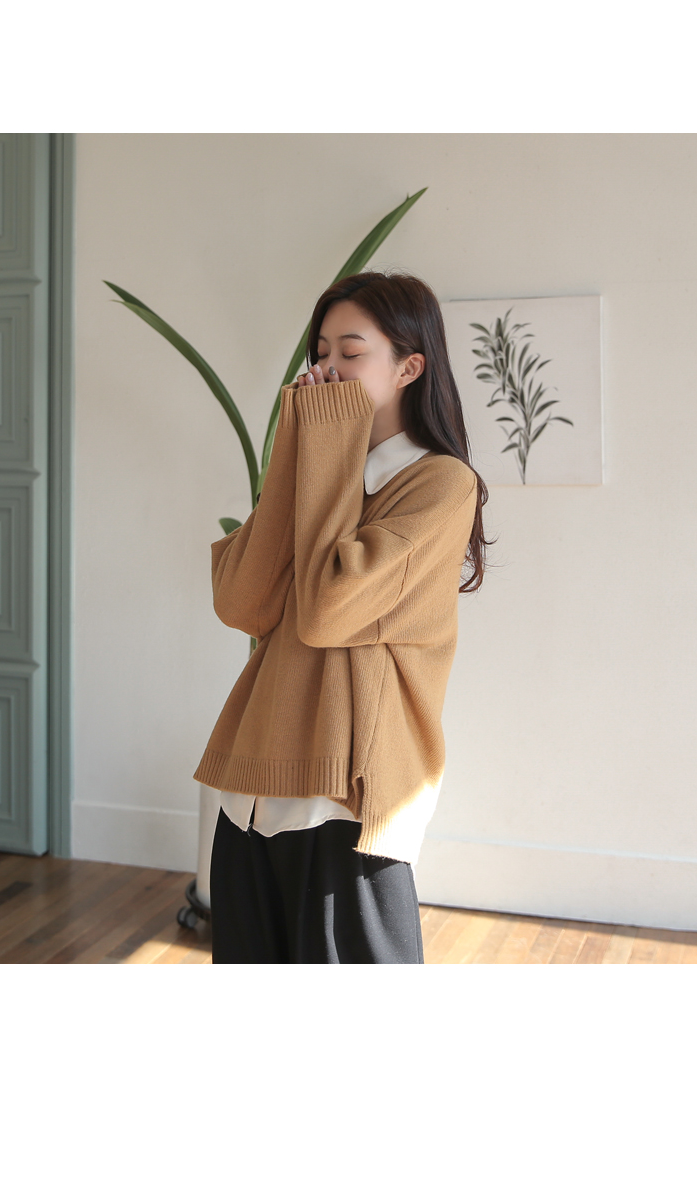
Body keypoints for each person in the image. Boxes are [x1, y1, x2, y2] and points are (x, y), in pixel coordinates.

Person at [193, 270, 491, 963]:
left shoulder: (441, 483)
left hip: (345, 798)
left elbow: (329, 610)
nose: (328, 369)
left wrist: (323, 450)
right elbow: (241, 603)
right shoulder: (318, 469)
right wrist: (300, 453)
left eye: (351, 352)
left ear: (409, 367)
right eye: (321, 351)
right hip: (251, 791)